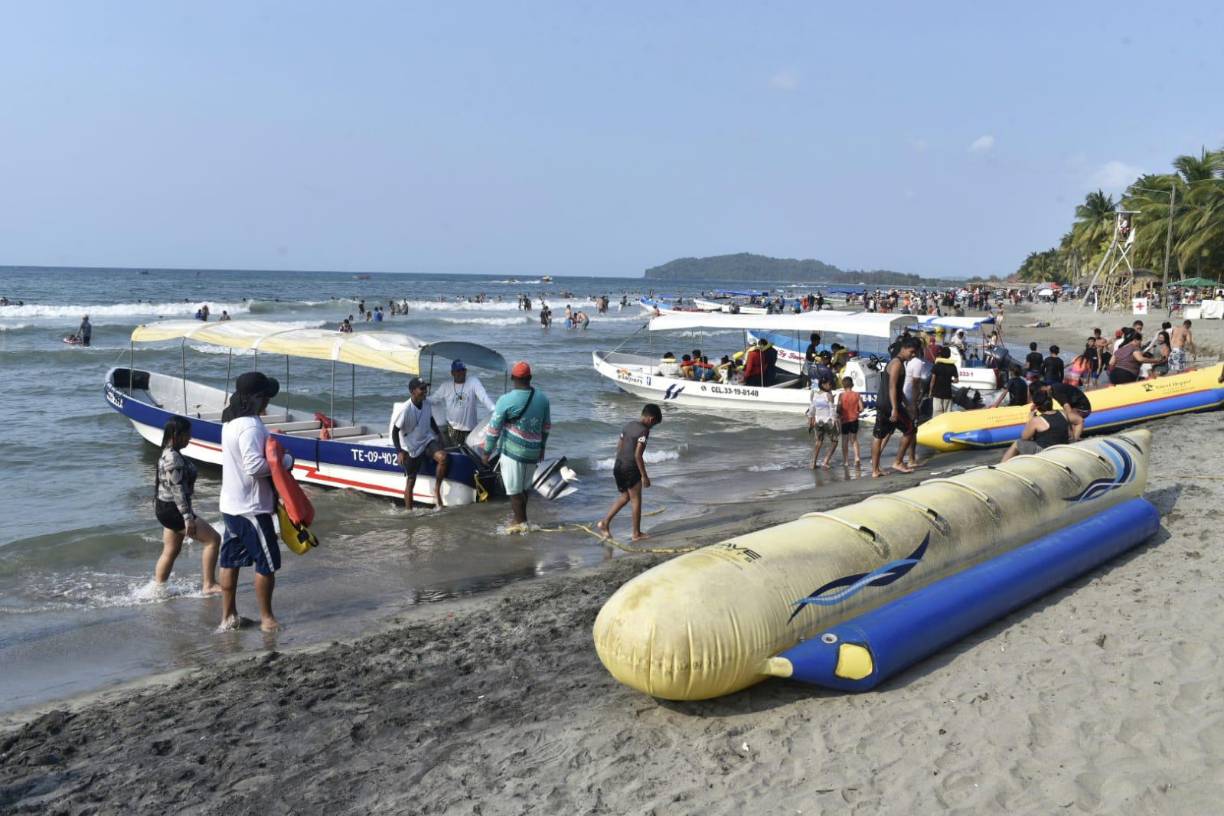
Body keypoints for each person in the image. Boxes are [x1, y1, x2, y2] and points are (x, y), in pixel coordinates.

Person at [218, 371, 282, 632]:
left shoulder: (230, 423)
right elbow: (255, 466)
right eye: (266, 396)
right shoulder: (251, 426)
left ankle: (228, 616)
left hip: (230, 505)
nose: (268, 402)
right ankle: (267, 619)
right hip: (252, 508)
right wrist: (284, 463)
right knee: (267, 563)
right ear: (258, 398)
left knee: (230, 561)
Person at [154, 416, 221, 595]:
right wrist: (187, 518)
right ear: (176, 434)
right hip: (174, 510)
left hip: (165, 507)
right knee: (213, 540)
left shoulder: (166, 452)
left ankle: (159, 589)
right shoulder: (173, 458)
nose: (189, 438)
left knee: (171, 549)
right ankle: (209, 584)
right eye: (187, 435)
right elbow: (177, 490)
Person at [483, 361, 551, 531]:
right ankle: (520, 520)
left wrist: (487, 452)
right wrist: (542, 447)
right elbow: (546, 426)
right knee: (524, 489)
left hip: (513, 452)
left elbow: (494, 429)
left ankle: (521, 524)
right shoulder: (542, 399)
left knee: (514, 491)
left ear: (513, 378)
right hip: (533, 451)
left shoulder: (505, 400)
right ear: (530, 378)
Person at [597, 404, 663, 541]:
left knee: (625, 497)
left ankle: (604, 523)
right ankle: (636, 534)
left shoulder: (628, 425)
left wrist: (620, 463)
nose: (652, 427)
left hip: (618, 465)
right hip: (630, 468)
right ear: (651, 419)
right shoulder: (644, 431)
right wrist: (644, 476)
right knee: (636, 500)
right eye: (654, 424)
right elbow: (638, 455)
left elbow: (619, 446)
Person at [392, 377, 449, 509]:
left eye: (426, 388)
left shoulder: (427, 403)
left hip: (426, 440)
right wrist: (399, 451)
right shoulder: (405, 409)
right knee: (411, 481)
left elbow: (430, 418)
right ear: (412, 391)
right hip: (411, 446)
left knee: (443, 458)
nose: (425, 391)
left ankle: (437, 491)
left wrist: (438, 434)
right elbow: (395, 432)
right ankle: (408, 511)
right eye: (422, 389)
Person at [871, 338, 919, 478]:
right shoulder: (897, 364)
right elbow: (892, 386)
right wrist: (895, 408)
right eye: (912, 352)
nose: (913, 355)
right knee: (910, 429)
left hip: (882, 403)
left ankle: (875, 470)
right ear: (903, 348)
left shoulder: (894, 362)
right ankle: (898, 461)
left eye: (915, 353)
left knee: (878, 436)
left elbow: (897, 389)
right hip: (890, 405)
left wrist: (907, 402)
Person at [431, 360, 496, 448]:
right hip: (453, 429)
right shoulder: (445, 386)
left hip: (471, 429)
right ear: (452, 373)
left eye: (463, 370)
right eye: (458, 371)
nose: (461, 373)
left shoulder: (473, 382)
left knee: (470, 454)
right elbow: (433, 399)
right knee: (456, 451)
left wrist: (494, 410)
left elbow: (484, 397)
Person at [1000, 387, 1070, 462]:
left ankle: (1001, 465)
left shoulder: (1036, 421)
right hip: (1062, 448)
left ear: (1037, 407)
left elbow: (1024, 437)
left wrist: (1029, 420)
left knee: (1018, 443)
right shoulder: (1063, 413)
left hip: (1045, 453)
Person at [807, 377, 839, 469]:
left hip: (818, 421)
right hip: (828, 421)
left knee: (818, 442)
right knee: (835, 441)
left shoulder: (815, 395)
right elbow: (832, 409)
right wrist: (835, 421)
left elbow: (811, 410)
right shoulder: (828, 395)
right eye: (829, 384)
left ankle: (813, 463)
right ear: (823, 385)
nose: (831, 386)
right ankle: (825, 461)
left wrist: (810, 421)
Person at [835, 376, 863, 468]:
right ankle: (857, 458)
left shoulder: (841, 395)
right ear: (852, 385)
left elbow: (839, 408)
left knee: (845, 441)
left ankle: (846, 461)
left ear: (843, 385)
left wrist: (838, 413)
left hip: (845, 420)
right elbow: (861, 408)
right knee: (854, 440)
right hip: (854, 419)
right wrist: (857, 412)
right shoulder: (857, 394)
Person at [929, 346, 959, 417]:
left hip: (937, 394)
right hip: (947, 394)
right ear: (949, 355)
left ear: (941, 354)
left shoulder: (937, 365)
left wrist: (930, 391)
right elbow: (956, 380)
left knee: (936, 416)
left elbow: (933, 380)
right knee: (947, 416)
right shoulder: (952, 366)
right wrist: (950, 380)